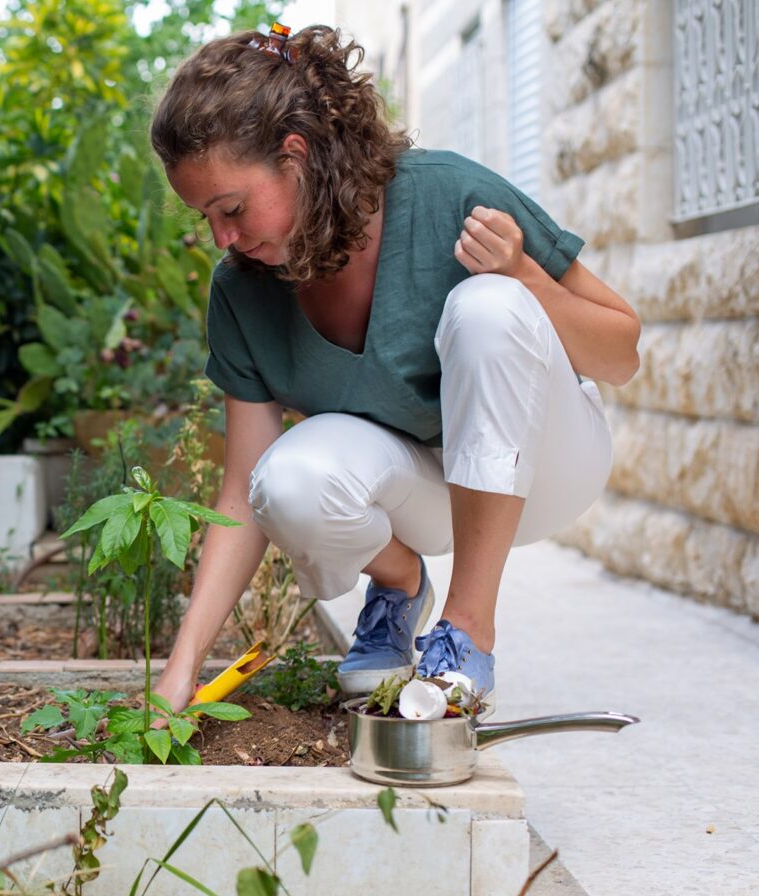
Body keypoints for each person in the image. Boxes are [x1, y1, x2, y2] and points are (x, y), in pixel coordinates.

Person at [146, 24, 640, 712]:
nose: (222, 237)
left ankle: (466, 633)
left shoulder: (447, 196)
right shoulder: (243, 292)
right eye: (206, 216)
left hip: (549, 464)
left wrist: (527, 274)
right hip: (424, 498)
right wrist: (182, 669)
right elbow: (241, 494)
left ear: (297, 156)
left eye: (231, 208)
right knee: (284, 481)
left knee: (490, 306)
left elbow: (621, 355)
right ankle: (401, 586)